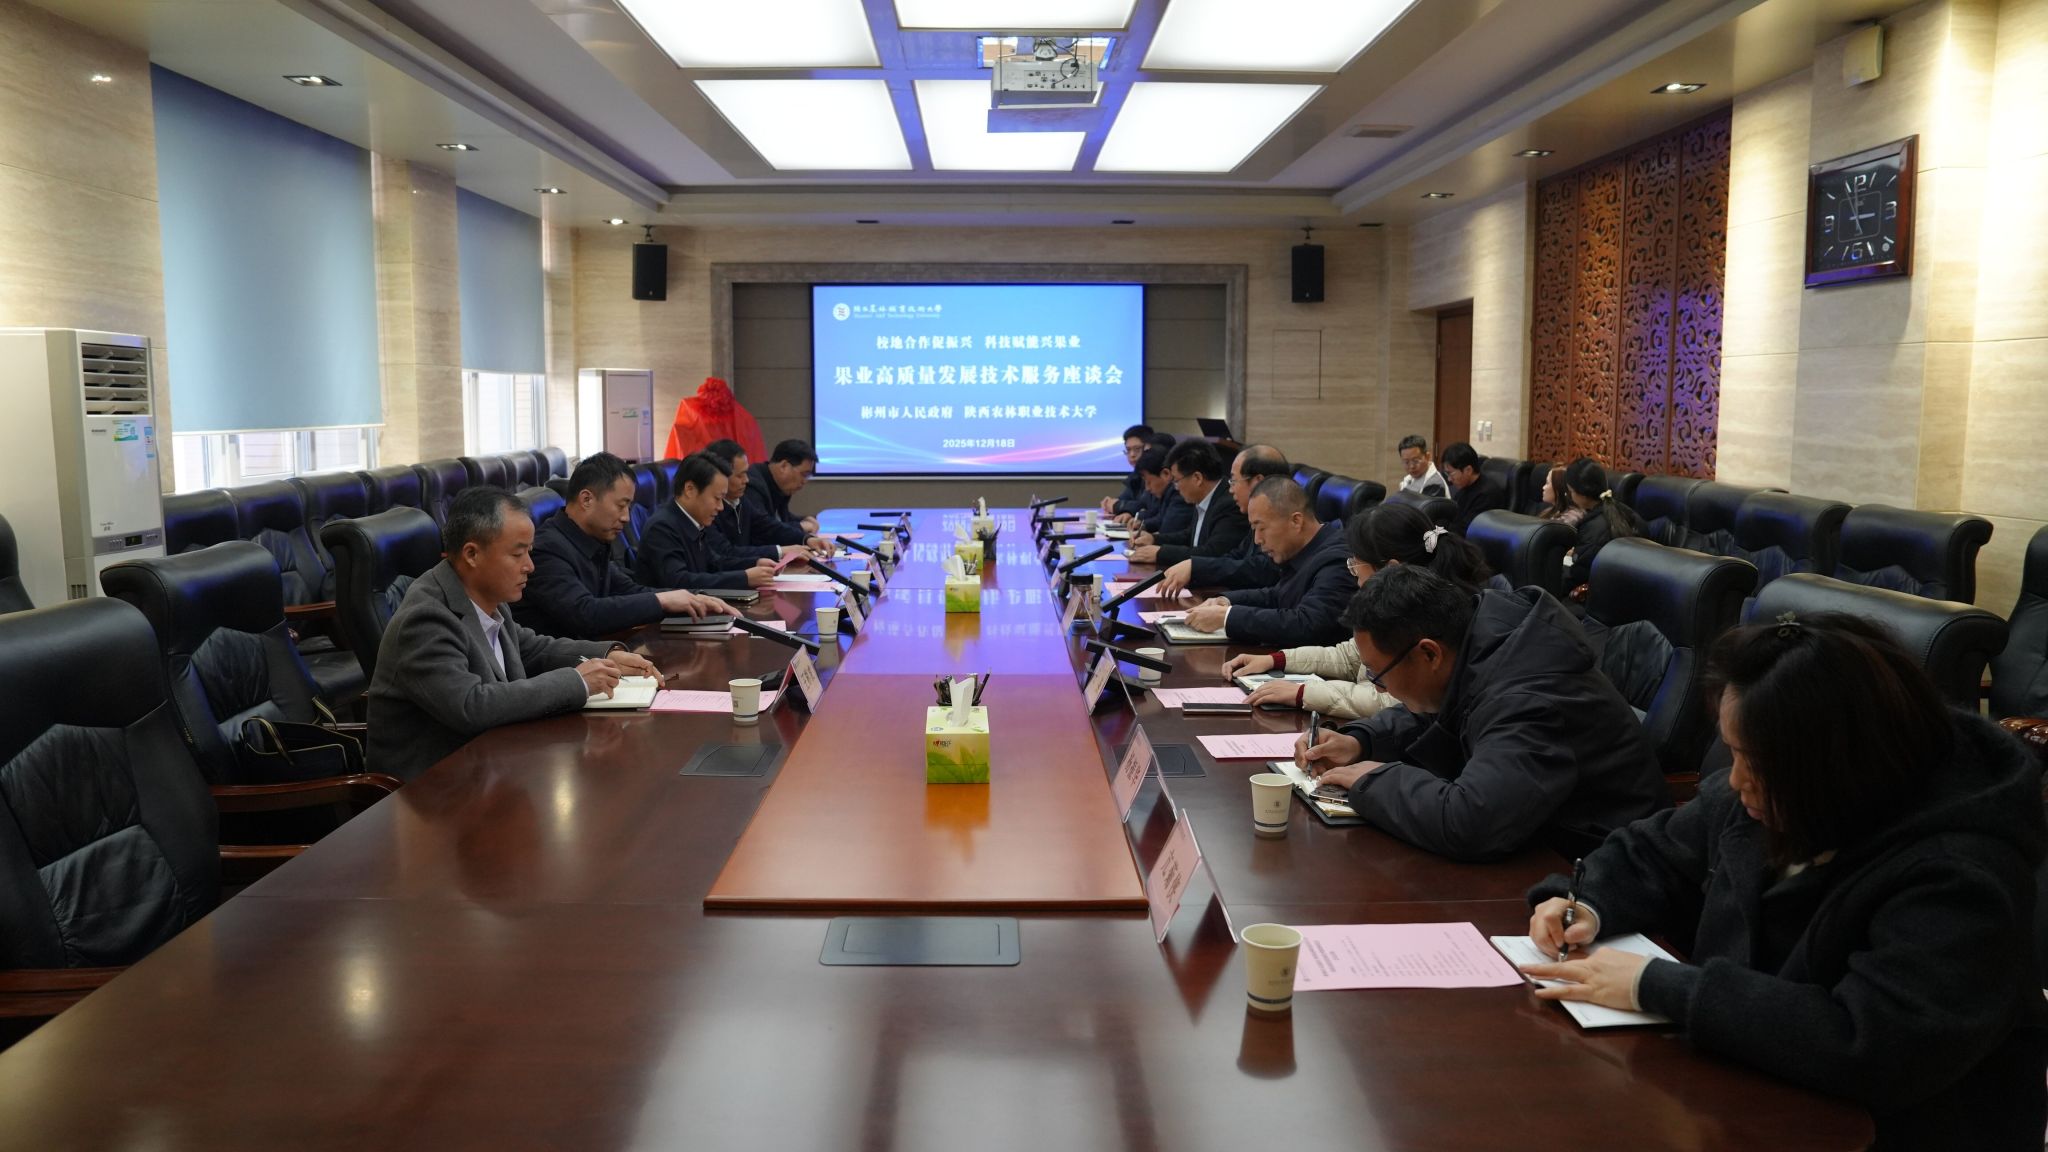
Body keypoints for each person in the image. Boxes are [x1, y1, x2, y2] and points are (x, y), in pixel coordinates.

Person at [1518, 613, 2047, 1151]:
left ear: (1835, 764)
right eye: (1733, 751)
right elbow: (1652, 852)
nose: (1734, 780)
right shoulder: (1774, 791)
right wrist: (1586, 902)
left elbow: (1876, 1044)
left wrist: (1655, 985)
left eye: (1753, 761)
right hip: (1744, 1089)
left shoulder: (1961, 871)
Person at [1297, 564, 1667, 861]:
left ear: (1429, 653)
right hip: (1539, 837)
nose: (1380, 688)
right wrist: (1361, 741)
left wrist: (1375, 780)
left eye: (1379, 675)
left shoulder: (1528, 698)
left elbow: (1470, 821)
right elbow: (1444, 710)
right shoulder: (1479, 638)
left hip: (1596, 866)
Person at [368, 487, 663, 780]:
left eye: (529, 552)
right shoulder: (426, 618)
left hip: (493, 763)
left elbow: (531, 648)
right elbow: (471, 705)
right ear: (472, 554)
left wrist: (607, 655)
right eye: (517, 554)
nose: (529, 567)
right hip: (433, 787)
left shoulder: (486, 594)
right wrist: (577, 682)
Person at [1223, 500, 1498, 719]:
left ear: (1390, 568)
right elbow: (1350, 656)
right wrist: (1277, 660)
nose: (1354, 576)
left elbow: (1394, 702)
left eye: (1356, 565)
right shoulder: (1398, 603)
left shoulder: (1432, 617)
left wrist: (1303, 693)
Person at [517, 453, 724, 639]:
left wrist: (694, 597)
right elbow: (586, 614)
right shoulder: (547, 550)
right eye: (621, 505)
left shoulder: (591, 540)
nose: (626, 517)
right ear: (586, 499)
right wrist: (662, 601)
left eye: (629, 507)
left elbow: (630, 590)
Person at [1177, 477, 1352, 648]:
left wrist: (1227, 617)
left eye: (1261, 528)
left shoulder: (1337, 561)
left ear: (1296, 521)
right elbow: (1278, 596)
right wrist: (1226, 601)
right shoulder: (1304, 550)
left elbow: (1307, 625)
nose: (1257, 539)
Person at [1156, 445, 1290, 597]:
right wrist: (1196, 569)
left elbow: (1262, 569)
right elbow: (1237, 555)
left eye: (1234, 481)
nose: (1231, 489)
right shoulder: (1258, 516)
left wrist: (1197, 568)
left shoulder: (1283, 519)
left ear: (1258, 482)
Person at [636, 453, 780, 593]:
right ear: (690, 489)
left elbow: (715, 564)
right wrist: (744, 578)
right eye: (717, 498)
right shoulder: (662, 528)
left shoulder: (691, 520)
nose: (721, 507)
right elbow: (680, 582)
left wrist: (755, 563)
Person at [698, 440, 825, 565]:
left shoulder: (740, 500)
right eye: (740, 475)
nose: (746, 480)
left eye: (746, 473)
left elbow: (766, 526)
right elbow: (725, 552)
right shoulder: (705, 509)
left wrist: (806, 539)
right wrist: (781, 551)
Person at [1126, 440, 1247, 566]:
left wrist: (1161, 553)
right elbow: (1190, 536)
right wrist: (1153, 539)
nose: (1176, 487)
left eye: (1176, 481)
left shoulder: (1230, 504)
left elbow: (1213, 553)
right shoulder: (1204, 497)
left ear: (1197, 478)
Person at [1560, 456, 1645, 590]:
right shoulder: (1626, 512)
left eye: (1570, 491)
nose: (1569, 496)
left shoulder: (1594, 529)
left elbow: (1578, 577)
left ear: (1583, 494)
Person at [744, 439, 820, 545]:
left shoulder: (779, 486)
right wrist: (801, 527)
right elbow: (764, 529)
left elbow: (781, 518)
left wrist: (804, 519)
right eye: (804, 474)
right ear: (784, 466)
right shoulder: (753, 485)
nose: (804, 481)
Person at [1440, 441, 1506, 532]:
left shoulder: (1486, 496)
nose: (1449, 479)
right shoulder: (1464, 486)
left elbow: (1465, 530)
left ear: (1468, 470)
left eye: (1450, 473)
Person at [1101, 424, 1155, 516]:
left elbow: (1145, 506)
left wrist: (1117, 506)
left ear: (1148, 448)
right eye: (1128, 450)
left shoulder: (1155, 474)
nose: (1132, 455)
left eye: (1137, 449)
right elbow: (1123, 500)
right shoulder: (1136, 476)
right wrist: (1111, 503)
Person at [1397, 434, 1448, 498]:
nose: (1412, 466)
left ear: (1428, 457)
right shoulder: (1409, 478)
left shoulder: (1434, 484)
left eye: (1415, 461)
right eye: (1406, 462)